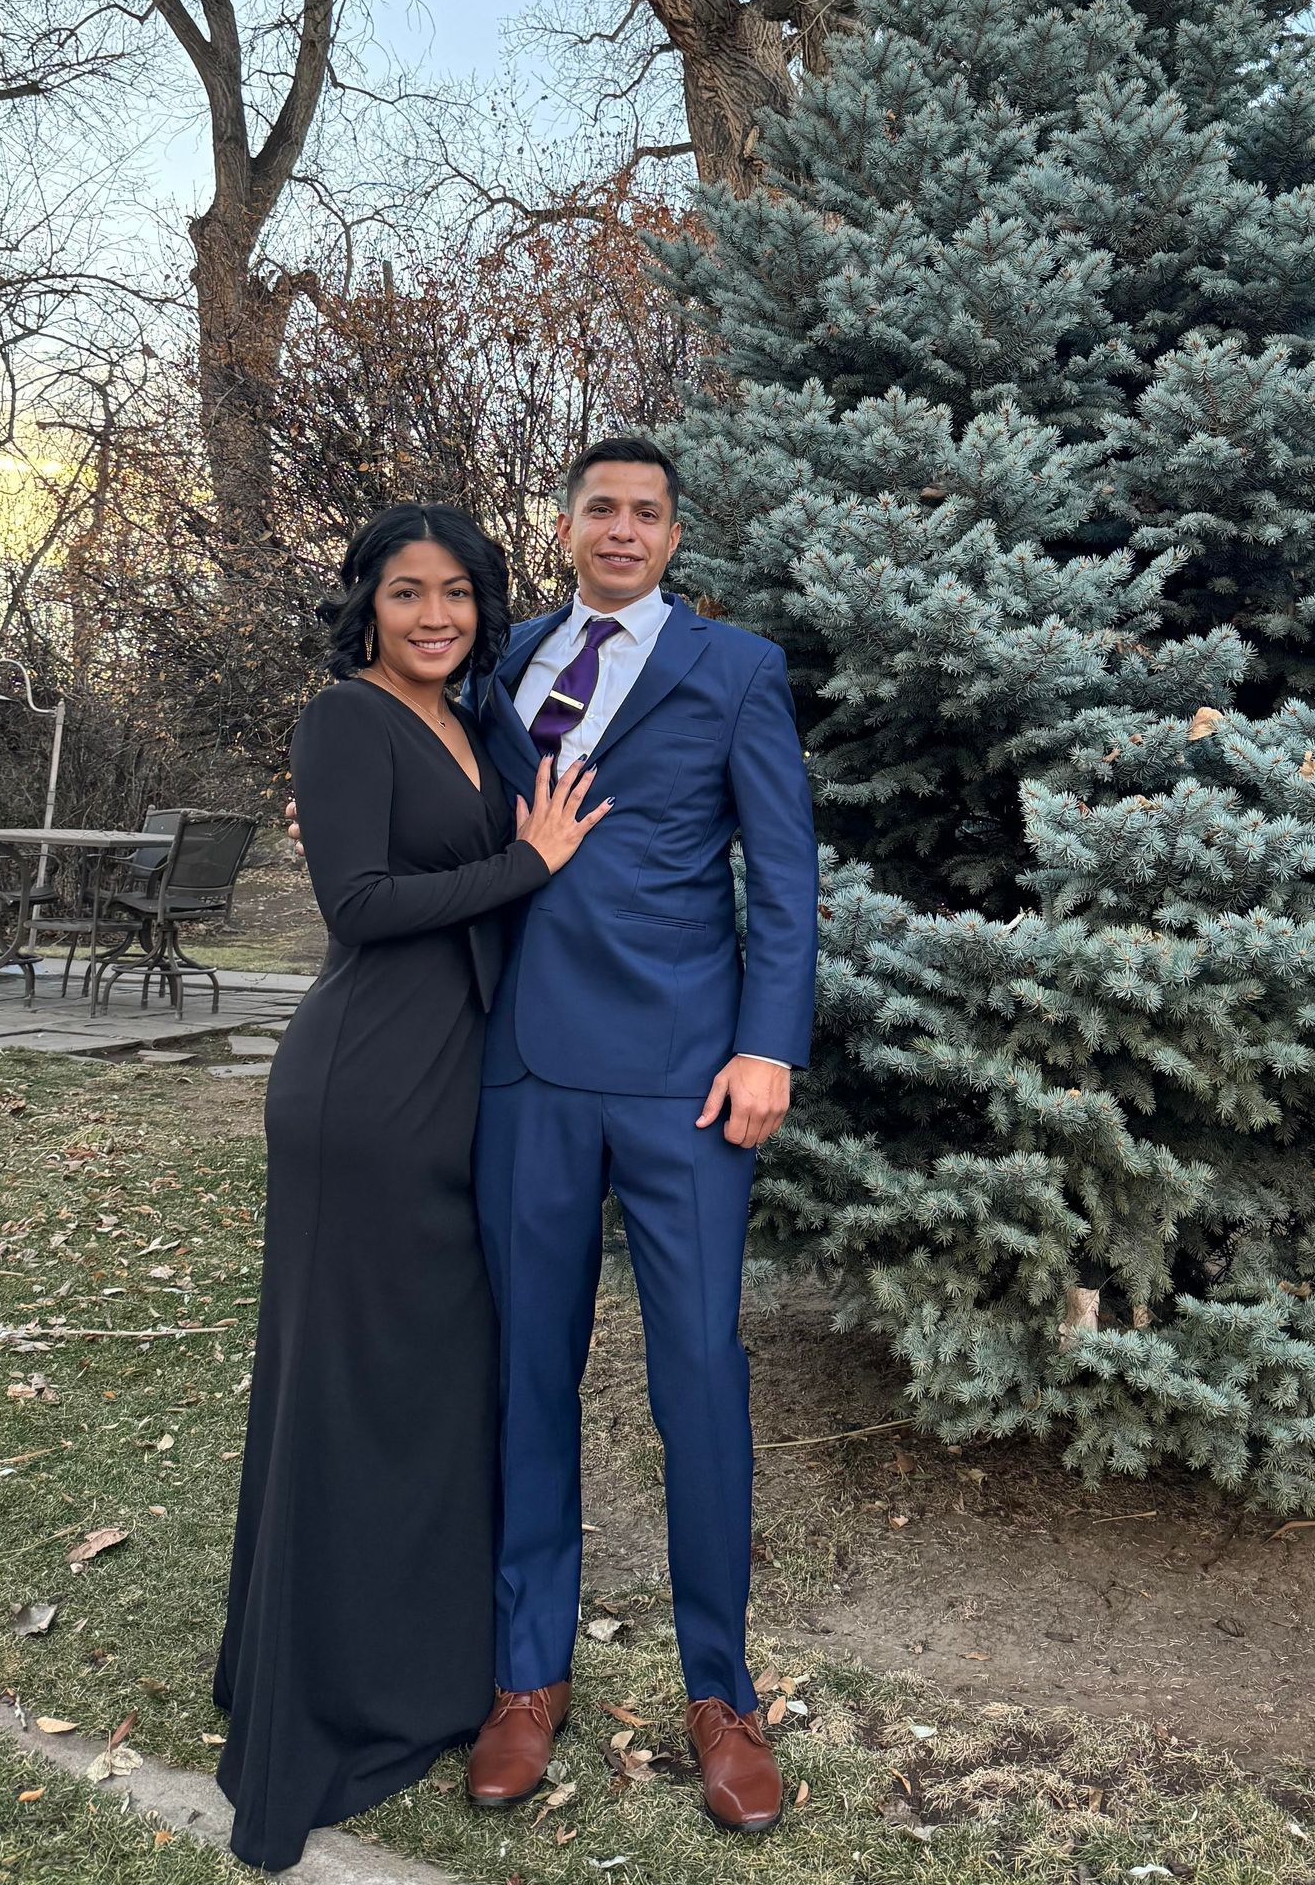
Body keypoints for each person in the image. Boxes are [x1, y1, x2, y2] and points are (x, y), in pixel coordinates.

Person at [216, 503, 606, 1874]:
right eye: (406, 594)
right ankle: (319, 1697)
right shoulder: (346, 720)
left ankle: (422, 1675)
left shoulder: (475, 718)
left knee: (433, 1386)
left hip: (460, 1091)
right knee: (349, 1386)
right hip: (366, 1090)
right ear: (367, 606)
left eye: (457, 594)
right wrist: (525, 862)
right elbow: (359, 901)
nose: (433, 615)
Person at [460, 435, 818, 1836]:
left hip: (686, 1079)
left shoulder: (736, 672)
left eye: (647, 512)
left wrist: (769, 1042)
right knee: (527, 1377)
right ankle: (523, 1677)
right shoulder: (512, 663)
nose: (622, 528)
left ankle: (718, 1694)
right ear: (564, 527)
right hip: (531, 1071)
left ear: (675, 537)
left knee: (697, 1382)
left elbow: (781, 874)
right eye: (599, 507)